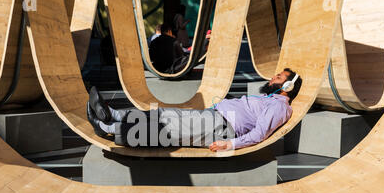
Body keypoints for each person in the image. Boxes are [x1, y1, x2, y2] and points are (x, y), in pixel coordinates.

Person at [88, 69, 302, 152]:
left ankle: (106, 127)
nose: (273, 77)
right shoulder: (269, 99)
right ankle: (112, 114)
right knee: (162, 114)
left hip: (222, 126)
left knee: (166, 129)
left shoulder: (279, 107)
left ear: (288, 87)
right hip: (214, 117)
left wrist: (230, 144)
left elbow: (260, 133)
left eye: (279, 77)